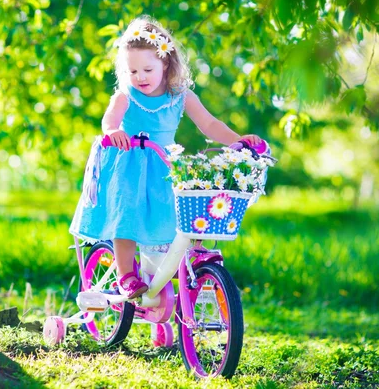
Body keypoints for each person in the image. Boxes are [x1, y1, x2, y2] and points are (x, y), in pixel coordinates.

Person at [69, 16, 263, 299]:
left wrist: (237, 139)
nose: (140, 77)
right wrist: (113, 132)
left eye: (147, 69)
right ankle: (126, 275)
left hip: (164, 166)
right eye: (132, 70)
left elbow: (209, 124)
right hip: (129, 164)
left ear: (166, 64)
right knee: (128, 216)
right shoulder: (126, 95)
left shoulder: (180, 96)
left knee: (180, 218)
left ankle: (169, 274)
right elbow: (109, 119)